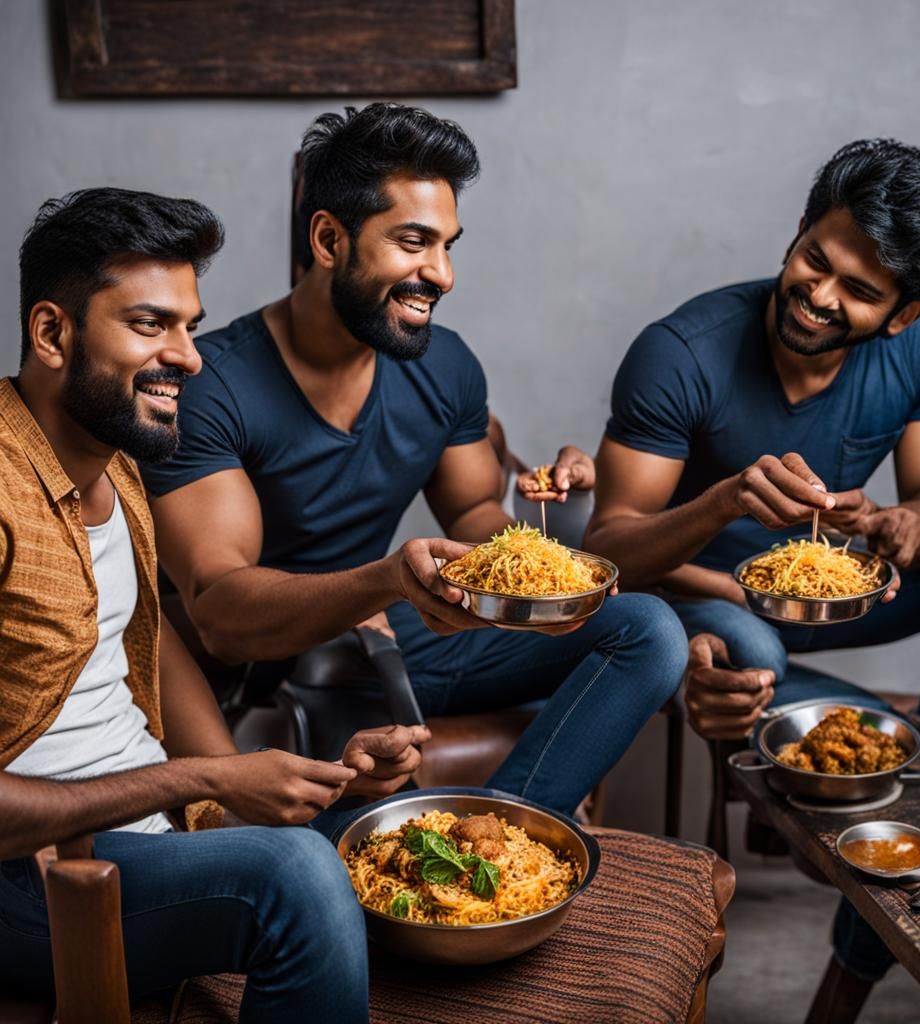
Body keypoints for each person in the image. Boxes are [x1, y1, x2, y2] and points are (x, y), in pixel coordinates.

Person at [142, 103, 688, 821]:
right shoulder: (211, 387)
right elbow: (220, 612)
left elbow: (472, 512)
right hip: (274, 664)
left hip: (393, 632)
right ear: (329, 238)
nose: (442, 274)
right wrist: (385, 583)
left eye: (448, 246)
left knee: (649, 631)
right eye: (413, 242)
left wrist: (537, 567)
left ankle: (501, 831)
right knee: (350, 806)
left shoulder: (446, 366)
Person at [585, 138, 920, 993]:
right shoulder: (680, 351)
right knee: (756, 648)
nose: (818, 297)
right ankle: (898, 821)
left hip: (837, 593)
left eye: (858, 292)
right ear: (797, 232)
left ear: (903, 314)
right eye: (813, 260)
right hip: (710, 598)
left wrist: (901, 525)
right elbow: (606, 548)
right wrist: (725, 505)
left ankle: (910, 819)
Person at [0, 187, 430, 1022]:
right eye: (151, 324)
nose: (189, 357)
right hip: (40, 879)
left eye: (190, 325)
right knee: (298, 877)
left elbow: (147, 647)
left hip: (154, 835)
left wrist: (291, 781)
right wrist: (207, 775)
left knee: (390, 840)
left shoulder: (117, 464)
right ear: (52, 333)